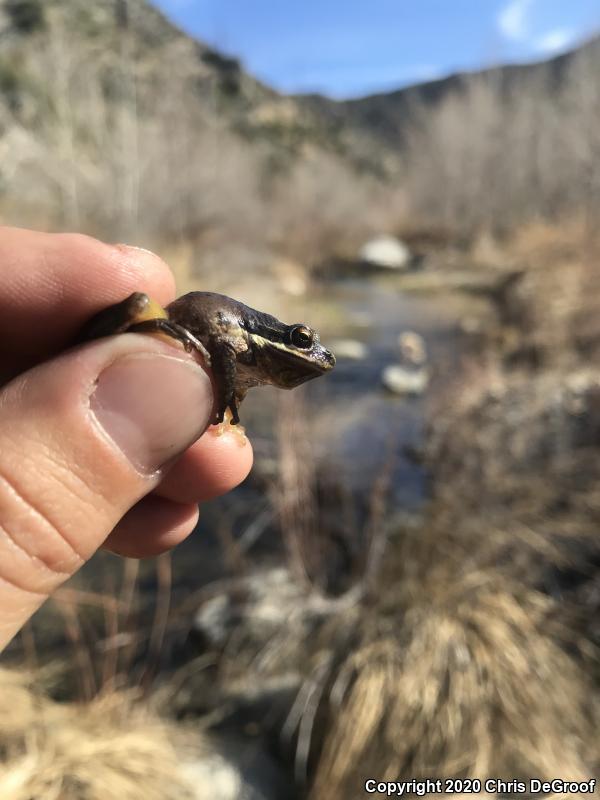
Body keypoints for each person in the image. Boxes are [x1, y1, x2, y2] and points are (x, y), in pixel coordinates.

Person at [0, 227, 253, 651]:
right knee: (137, 303)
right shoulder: (242, 341)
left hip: (164, 343)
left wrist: (230, 404)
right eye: (303, 341)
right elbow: (225, 356)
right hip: (147, 327)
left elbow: (231, 376)